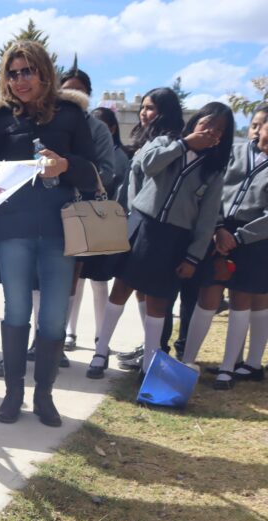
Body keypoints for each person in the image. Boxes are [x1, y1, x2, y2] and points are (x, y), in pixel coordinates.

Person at [0, 40, 98, 427]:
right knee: (16, 310)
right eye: (13, 73)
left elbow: (93, 171)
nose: (20, 80)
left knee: (54, 318)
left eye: (28, 71)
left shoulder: (71, 114)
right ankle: (13, 394)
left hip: (61, 230)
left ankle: (45, 396)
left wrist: (65, 164)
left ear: (44, 72)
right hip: (12, 228)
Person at [105, 103, 233, 376]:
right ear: (195, 121)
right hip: (143, 227)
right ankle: (100, 351)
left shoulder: (213, 170)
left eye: (219, 130)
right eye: (206, 123)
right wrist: (185, 144)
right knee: (121, 289)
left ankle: (150, 364)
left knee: (159, 300)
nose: (211, 131)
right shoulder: (166, 143)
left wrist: (193, 256)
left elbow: (207, 218)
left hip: (174, 239)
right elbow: (147, 166)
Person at [87, 88, 185, 378]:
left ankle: (149, 357)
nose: (144, 113)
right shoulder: (146, 140)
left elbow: (151, 173)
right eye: (143, 107)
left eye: (151, 108)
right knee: (123, 288)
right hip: (133, 222)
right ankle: (101, 351)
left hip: (154, 227)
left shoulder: (173, 143)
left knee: (146, 293)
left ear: (166, 112)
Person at [204, 120, 268, 388]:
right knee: (211, 291)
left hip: (255, 239)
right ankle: (244, 363)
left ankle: (229, 368)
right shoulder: (237, 151)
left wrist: (240, 238)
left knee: (244, 297)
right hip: (220, 230)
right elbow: (217, 188)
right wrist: (218, 227)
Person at [58, 68, 117, 356]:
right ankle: (38, 340)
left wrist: (73, 171)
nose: (73, 95)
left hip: (80, 213)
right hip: (44, 210)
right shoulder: (45, 122)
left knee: (70, 279)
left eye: (79, 90)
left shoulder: (98, 129)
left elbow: (108, 171)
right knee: (37, 282)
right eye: (67, 88)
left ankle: (58, 339)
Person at [65, 105, 131, 352]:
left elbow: (118, 188)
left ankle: (100, 335)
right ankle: (70, 332)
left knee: (99, 281)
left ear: (111, 129)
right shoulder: (84, 150)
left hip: (102, 223)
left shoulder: (120, 157)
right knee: (76, 280)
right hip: (79, 220)